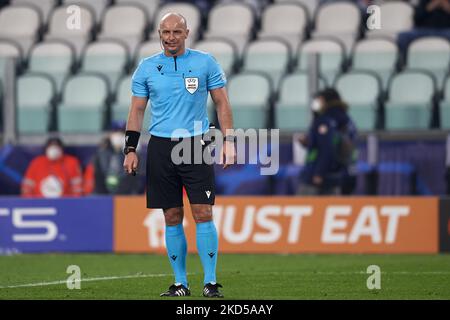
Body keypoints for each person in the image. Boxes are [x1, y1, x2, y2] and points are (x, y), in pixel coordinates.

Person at [123, 13, 235, 298]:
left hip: (195, 144)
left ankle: (210, 283)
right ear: (159, 33)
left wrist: (229, 140)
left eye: (176, 31)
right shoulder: (147, 68)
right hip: (160, 147)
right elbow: (136, 111)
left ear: (187, 33)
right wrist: (130, 148)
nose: (170, 37)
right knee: (171, 215)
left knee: (203, 212)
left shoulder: (205, 62)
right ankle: (180, 284)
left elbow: (221, 103)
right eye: (165, 32)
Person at [297, 88, 357, 195]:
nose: (316, 102)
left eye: (319, 99)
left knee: (306, 207)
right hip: (340, 172)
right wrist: (310, 141)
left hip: (316, 175)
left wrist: (319, 172)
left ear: (326, 101)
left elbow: (326, 148)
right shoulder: (347, 120)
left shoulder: (324, 120)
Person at [83, 121, 144, 195]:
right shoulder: (100, 154)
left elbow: (136, 181)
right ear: (110, 134)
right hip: (104, 197)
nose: (119, 136)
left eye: (122, 133)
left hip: (127, 197)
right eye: (116, 132)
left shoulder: (133, 155)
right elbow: (97, 179)